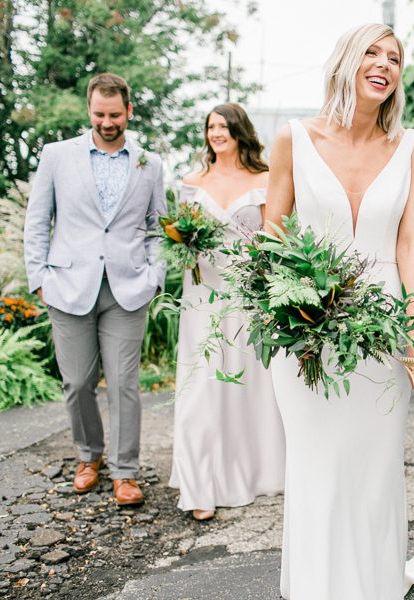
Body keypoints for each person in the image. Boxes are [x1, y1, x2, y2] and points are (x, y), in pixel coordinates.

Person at [264, 23, 414, 599]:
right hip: (306, 332)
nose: (384, 64)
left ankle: (372, 583)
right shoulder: (292, 138)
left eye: (393, 57)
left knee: (373, 465)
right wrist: (292, 309)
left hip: (381, 332)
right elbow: (273, 235)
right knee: (318, 463)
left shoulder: (411, 145)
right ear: (345, 62)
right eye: (371, 52)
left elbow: (411, 245)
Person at [23, 73, 166, 506]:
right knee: (77, 381)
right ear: (89, 110)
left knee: (124, 383)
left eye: (115, 115)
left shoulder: (150, 163)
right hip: (67, 286)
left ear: (129, 111)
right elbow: (37, 221)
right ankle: (89, 456)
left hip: (127, 289)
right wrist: (39, 279)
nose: (107, 122)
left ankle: (125, 471)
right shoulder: (56, 156)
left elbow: (157, 227)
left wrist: (154, 275)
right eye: (100, 115)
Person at [168, 103, 284, 522]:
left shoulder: (265, 180)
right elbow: (181, 240)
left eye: (224, 126)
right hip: (202, 295)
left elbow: (274, 241)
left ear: (240, 132)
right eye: (211, 126)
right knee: (202, 387)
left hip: (246, 296)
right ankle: (200, 484)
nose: (217, 132)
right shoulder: (191, 182)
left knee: (245, 386)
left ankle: (250, 471)